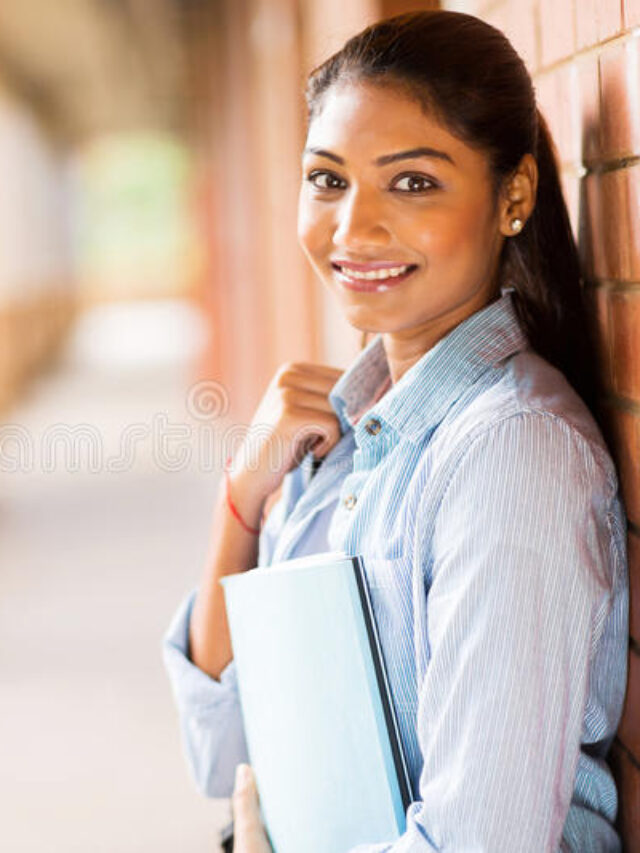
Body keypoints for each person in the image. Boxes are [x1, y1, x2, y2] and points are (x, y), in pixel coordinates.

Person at [164, 10, 628, 852]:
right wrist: (241, 495)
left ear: (512, 195)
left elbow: (480, 842)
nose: (352, 229)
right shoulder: (342, 438)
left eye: (412, 182)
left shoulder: (512, 455)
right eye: (328, 179)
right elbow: (225, 751)